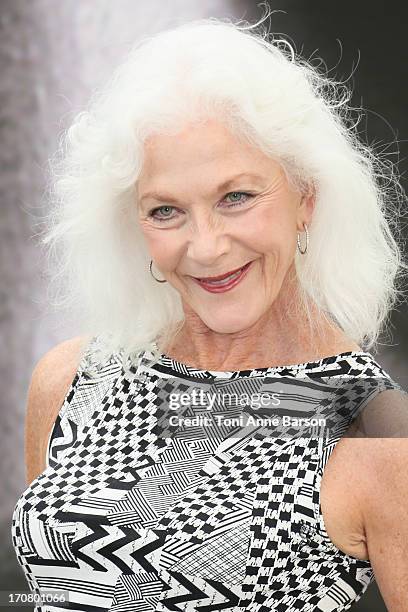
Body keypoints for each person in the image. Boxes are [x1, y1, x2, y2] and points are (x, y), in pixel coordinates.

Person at [11, 14, 408, 612]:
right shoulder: (71, 383)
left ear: (307, 197)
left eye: (237, 197)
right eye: (165, 211)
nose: (206, 247)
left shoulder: (376, 434)